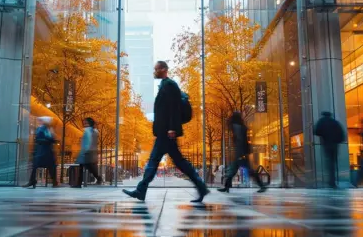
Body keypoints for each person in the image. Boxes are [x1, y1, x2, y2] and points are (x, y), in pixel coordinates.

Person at [123, 61, 209, 203]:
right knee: (177, 162)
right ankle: (201, 187)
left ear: (164, 69)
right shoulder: (165, 85)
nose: (154, 71)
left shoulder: (169, 85)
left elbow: (173, 109)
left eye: (156, 69)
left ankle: (141, 190)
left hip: (167, 132)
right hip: (165, 132)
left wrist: (172, 128)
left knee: (154, 161)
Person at [217, 112, 266, 193]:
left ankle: (262, 185)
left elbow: (240, 141)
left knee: (247, 171)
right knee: (232, 171)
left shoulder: (237, 127)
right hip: (241, 153)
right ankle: (226, 187)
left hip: (240, 154)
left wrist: (239, 154)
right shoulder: (241, 127)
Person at [313, 111, 345, 188]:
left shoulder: (322, 122)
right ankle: (332, 181)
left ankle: (330, 181)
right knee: (332, 163)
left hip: (327, 144)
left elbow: (316, 131)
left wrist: (324, 135)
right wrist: (337, 141)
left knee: (329, 163)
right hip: (335, 145)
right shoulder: (335, 122)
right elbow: (342, 134)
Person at [24, 116, 57, 188]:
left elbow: (39, 139)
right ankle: (54, 182)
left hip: (43, 151)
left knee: (37, 166)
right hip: (44, 151)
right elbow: (49, 139)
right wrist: (50, 140)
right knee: (49, 166)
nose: (39, 122)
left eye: (41, 120)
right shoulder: (46, 129)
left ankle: (32, 181)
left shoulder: (43, 129)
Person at [74, 117, 102, 187]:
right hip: (92, 152)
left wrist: (85, 150)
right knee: (83, 167)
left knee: (88, 167)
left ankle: (98, 178)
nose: (84, 124)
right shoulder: (95, 131)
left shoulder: (86, 130)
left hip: (87, 152)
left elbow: (88, 141)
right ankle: (79, 183)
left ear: (89, 123)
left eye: (86, 123)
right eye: (84, 123)